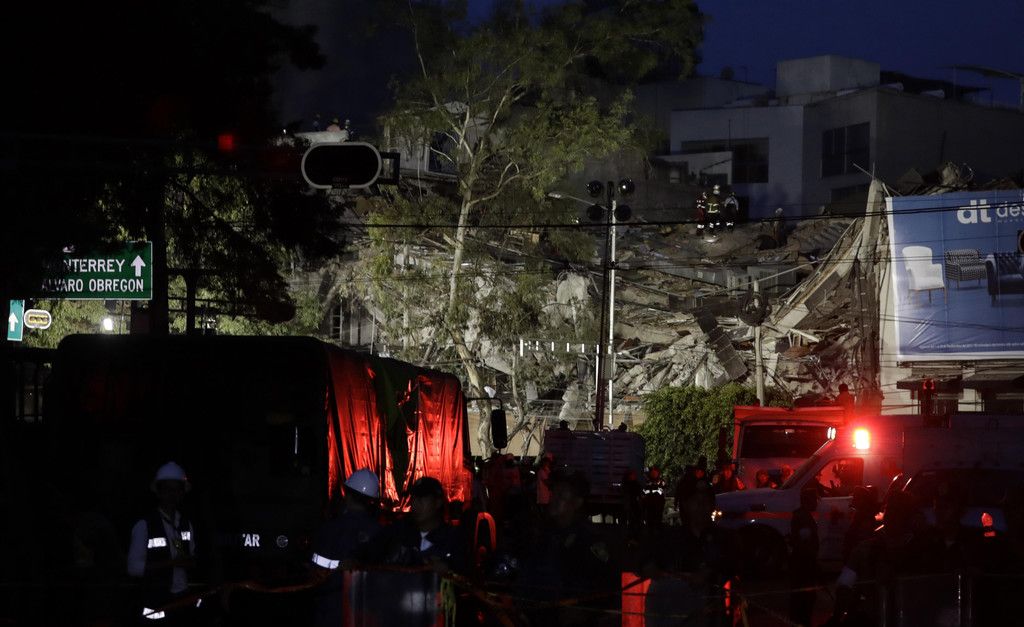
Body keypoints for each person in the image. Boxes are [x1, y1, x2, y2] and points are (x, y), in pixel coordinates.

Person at [126, 462, 199, 625]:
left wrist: (188, 562)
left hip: (182, 600)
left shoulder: (185, 524)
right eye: (167, 489)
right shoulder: (144, 525)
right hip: (156, 602)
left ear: (182, 493)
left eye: (177, 490)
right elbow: (133, 568)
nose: (172, 495)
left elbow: (192, 558)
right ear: (159, 492)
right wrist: (170, 563)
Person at [309, 468, 382, 627]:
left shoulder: (329, 529)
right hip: (366, 611)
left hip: (330, 608)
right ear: (372, 500)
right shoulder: (379, 532)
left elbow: (314, 573)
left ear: (347, 495)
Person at [380, 476, 468, 574]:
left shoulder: (453, 539)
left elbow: (465, 573)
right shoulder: (397, 532)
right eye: (413, 498)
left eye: (421, 498)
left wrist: (448, 569)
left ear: (438, 502)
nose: (415, 504)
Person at [789, 487, 819, 627]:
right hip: (804, 565)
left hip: (801, 563)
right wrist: (814, 563)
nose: (817, 503)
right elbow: (805, 544)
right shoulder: (804, 518)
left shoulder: (801, 515)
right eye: (815, 500)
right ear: (808, 501)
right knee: (805, 598)